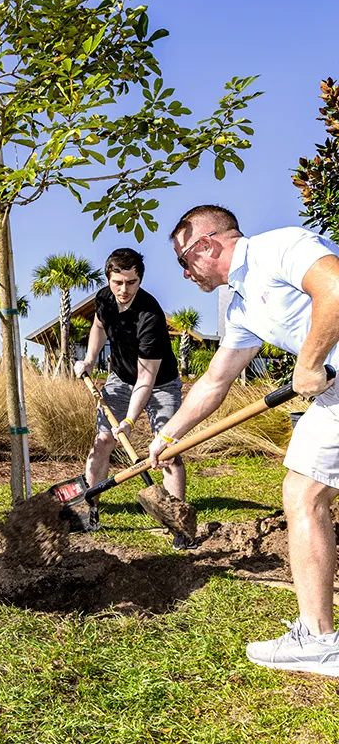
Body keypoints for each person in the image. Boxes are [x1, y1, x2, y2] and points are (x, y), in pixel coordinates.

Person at [149, 204, 339, 676]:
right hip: (333, 394)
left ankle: (320, 640)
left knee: (304, 494)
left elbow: (335, 288)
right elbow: (215, 382)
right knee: (303, 493)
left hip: (330, 382)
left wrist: (310, 361)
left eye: (183, 260)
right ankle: (318, 637)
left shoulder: (278, 247)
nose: (185, 273)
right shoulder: (240, 305)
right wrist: (169, 435)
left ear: (208, 243)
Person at [73, 247, 188, 545]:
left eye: (131, 283)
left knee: (167, 450)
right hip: (119, 379)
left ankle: (178, 524)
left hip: (160, 383)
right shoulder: (104, 299)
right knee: (102, 441)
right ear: (109, 279)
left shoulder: (150, 316)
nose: (124, 290)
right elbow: (98, 326)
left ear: (140, 279)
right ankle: (90, 508)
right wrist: (89, 359)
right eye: (118, 283)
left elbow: (146, 379)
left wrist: (129, 420)